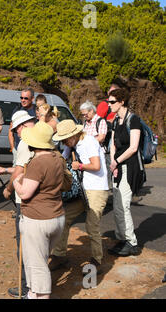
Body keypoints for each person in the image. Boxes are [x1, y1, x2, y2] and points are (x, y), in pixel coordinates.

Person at [13, 121, 65, 299]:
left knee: (38, 266)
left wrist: (15, 182)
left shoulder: (37, 163)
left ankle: (39, 294)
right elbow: (66, 183)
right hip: (56, 216)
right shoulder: (58, 159)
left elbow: (25, 193)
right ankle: (33, 293)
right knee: (39, 260)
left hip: (37, 220)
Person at [50, 120, 109, 273]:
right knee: (64, 218)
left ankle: (97, 260)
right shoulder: (75, 144)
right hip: (85, 188)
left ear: (74, 135)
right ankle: (59, 254)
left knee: (92, 225)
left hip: (96, 189)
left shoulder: (88, 142)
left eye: (65, 138)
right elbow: (63, 157)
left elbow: (96, 166)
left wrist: (80, 166)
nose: (63, 142)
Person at [0, 110, 36, 299]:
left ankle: (27, 286)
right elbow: (23, 166)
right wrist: (5, 170)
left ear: (23, 126)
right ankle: (32, 284)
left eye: (16, 129)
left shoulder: (26, 142)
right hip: (37, 200)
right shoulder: (41, 139)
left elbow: (20, 170)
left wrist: (9, 188)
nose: (16, 133)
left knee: (24, 244)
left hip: (25, 199)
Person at [107, 88, 144, 257]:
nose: (109, 104)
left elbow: (133, 147)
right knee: (117, 205)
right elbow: (113, 143)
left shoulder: (133, 120)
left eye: (112, 102)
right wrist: (113, 161)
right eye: (109, 101)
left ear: (122, 102)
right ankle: (122, 238)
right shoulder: (115, 120)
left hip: (129, 167)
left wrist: (117, 161)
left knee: (123, 205)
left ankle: (132, 242)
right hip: (118, 166)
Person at [8, 88, 36, 166]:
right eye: (21, 98)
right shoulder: (16, 110)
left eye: (26, 98)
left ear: (32, 99)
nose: (23, 100)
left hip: (32, 150)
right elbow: (10, 131)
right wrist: (13, 149)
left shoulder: (36, 112)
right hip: (18, 150)